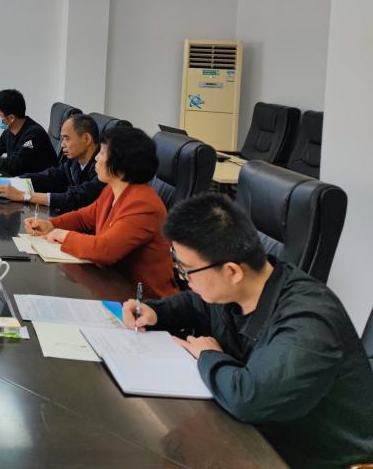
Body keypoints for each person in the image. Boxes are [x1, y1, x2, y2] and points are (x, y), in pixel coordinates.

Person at [122, 194, 373, 469]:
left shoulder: (309, 323)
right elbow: (198, 304)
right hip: (259, 439)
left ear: (232, 272)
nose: (185, 280)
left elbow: (250, 399)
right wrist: (156, 312)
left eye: (187, 271)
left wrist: (208, 356)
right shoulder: (244, 287)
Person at [25, 126, 177, 297]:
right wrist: (50, 225)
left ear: (121, 163)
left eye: (103, 153)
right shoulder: (112, 190)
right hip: (111, 286)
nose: (96, 158)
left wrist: (63, 235)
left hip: (144, 302)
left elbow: (104, 250)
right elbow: (83, 218)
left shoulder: (144, 205)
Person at [0, 113, 105, 213]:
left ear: (86, 139)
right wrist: (17, 181)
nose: (62, 145)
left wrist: (24, 196)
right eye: (62, 139)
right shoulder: (74, 162)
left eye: (67, 139)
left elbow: (76, 197)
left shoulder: (103, 168)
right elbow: (51, 176)